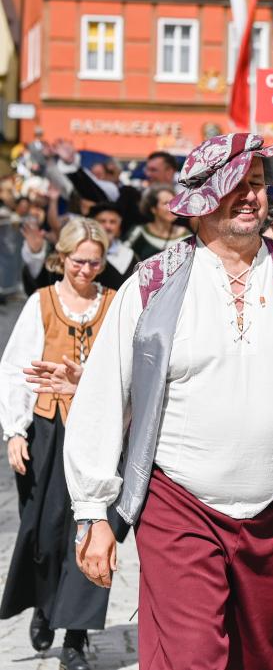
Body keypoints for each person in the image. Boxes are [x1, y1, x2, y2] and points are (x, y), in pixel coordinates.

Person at [62, 133, 273, 670]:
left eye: (258, 184)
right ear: (200, 200)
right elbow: (103, 394)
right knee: (191, 660)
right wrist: (93, 512)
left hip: (272, 511)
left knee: (261, 659)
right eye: (234, 184)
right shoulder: (153, 283)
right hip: (179, 507)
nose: (250, 196)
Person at [0, 219, 120, 670]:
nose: (86, 270)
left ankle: (76, 633)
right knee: (44, 532)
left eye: (94, 261)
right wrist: (14, 430)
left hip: (98, 430)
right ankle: (44, 607)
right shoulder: (42, 302)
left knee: (91, 530)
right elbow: (13, 369)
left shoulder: (113, 303)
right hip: (46, 429)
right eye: (78, 261)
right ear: (61, 258)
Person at [126, 184, 191, 261]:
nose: (172, 207)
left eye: (174, 202)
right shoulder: (137, 233)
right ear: (153, 209)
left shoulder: (187, 236)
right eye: (165, 203)